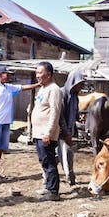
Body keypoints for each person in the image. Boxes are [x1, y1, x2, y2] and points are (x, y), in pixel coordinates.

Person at [0, 66, 39, 183]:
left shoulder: (9, 87)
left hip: (6, 121)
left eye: (9, 74)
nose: (9, 76)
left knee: (2, 148)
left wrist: (38, 84)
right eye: (6, 74)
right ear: (0, 74)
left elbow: (23, 88)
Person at [31, 62, 62, 201]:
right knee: (43, 160)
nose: (37, 76)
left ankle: (53, 192)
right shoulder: (43, 88)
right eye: (36, 73)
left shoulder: (54, 89)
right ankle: (48, 187)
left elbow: (55, 112)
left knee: (49, 162)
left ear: (49, 74)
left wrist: (48, 132)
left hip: (46, 133)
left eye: (40, 73)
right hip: (38, 132)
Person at [57, 70, 85, 186]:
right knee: (65, 153)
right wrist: (66, 134)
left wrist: (79, 117)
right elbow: (60, 116)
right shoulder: (62, 93)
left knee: (62, 154)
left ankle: (68, 176)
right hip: (60, 131)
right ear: (73, 82)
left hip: (69, 130)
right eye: (80, 83)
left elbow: (74, 111)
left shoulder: (75, 96)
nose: (81, 86)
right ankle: (69, 176)